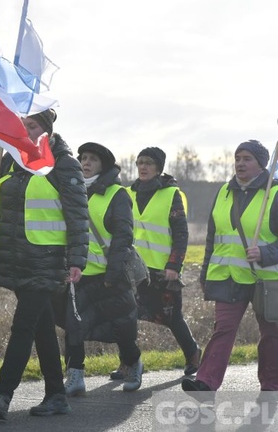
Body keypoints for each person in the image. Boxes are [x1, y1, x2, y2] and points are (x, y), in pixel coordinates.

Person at [0, 108, 88, 420]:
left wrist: (77, 259)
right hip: (17, 257)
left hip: (47, 260)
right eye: (21, 125)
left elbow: (77, 215)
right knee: (42, 327)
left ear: (47, 128)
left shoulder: (63, 163)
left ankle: (3, 393)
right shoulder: (13, 159)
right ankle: (56, 395)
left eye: (31, 126)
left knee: (23, 325)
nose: (24, 131)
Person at [183, 140, 278, 395]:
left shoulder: (275, 193)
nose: (240, 163)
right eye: (237, 158)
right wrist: (205, 273)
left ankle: (271, 384)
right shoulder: (224, 191)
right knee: (223, 329)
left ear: (261, 164)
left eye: (247, 158)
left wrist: (266, 253)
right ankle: (206, 381)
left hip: (267, 279)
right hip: (228, 276)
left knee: (271, 334)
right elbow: (213, 238)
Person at [61, 142, 143, 396]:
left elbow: (123, 236)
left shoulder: (117, 194)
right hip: (80, 275)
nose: (85, 163)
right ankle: (75, 376)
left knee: (123, 327)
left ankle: (133, 363)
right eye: (83, 158)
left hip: (110, 276)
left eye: (92, 159)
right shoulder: (72, 191)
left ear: (103, 164)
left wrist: (114, 273)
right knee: (73, 326)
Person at [124, 146, 200, 380]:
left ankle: (193, 354)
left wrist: (174, 267)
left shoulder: (171, 194)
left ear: (158, 168)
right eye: (139, 162)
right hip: (134, 268)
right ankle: (128, 363)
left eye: (148, 163)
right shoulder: (126, 193)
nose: (143, 167)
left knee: (171, 316)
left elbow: (181, 234)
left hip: (163, 269)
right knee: (125, 315)